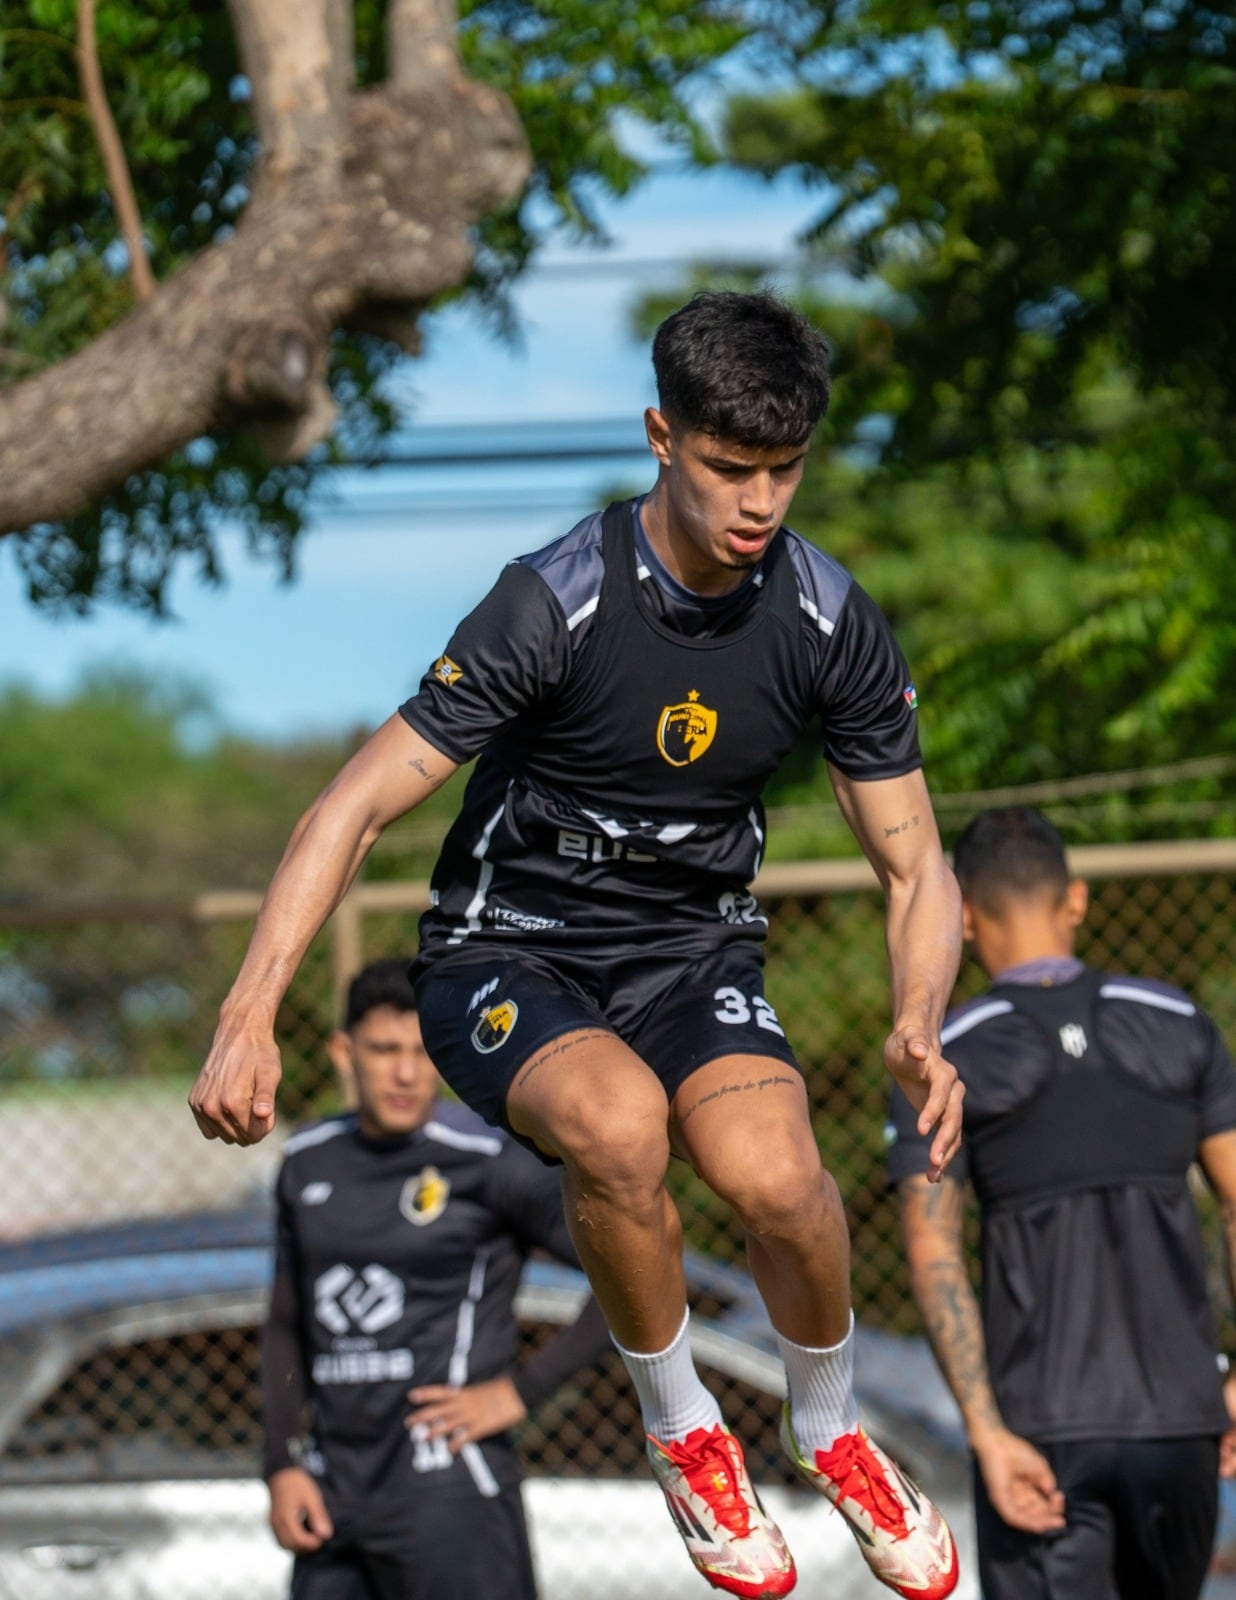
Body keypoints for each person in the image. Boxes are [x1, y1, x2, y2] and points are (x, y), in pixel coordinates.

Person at [192, 290, 965, 1600]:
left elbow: (916, 862)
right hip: (508, 955)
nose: (761, 500)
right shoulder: (553, 602)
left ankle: (829, 1429)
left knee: (778, 1180)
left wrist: (918, 1015)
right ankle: (685, 1437)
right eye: (731, 468)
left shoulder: (829, 619)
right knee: (617, 1131)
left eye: (784, 470)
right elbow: (355, 807)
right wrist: (247, 1009)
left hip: (694, 956)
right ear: (663, 437)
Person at [888, 806, 1236, 1600]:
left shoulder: (945, 1057)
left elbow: (932, 1248)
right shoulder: (1180, 1023)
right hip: (1184, 1424)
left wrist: (985, 1432)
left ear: (964, 919)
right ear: (1075, 900)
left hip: (1041, 1438)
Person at [262, 957, 613, 1600]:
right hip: (332, 1492)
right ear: (344, 1052)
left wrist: (521, 1391)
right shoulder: (304, 1162)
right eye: (384, 1049)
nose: (405, 1072)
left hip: (450, 1491)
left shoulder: (490, 1162)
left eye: (422, 1052)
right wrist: (280, 1466)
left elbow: (631, 1275)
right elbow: (285, 1326)